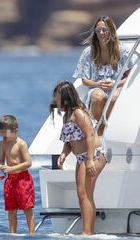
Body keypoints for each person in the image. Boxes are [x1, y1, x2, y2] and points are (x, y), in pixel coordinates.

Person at [50, 81, 107, 235]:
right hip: (81, 158)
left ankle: (87, 233)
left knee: (85, 194)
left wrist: (89, 160)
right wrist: (64, 153)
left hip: (92, 155)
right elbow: (71, 141)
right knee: (83, 195)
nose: (56, 102)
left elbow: (90, 134)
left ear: (67, 98)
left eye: (58, 98)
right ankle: (89, 231)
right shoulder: (67, 115)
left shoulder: (78, 113)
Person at [73, 16, 135, 135]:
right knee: (97, 96)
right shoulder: (88, 52)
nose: (101, 33)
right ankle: (99, 129)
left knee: (114, 96)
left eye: (105, 30)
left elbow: (130, 75)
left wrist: (115, 85)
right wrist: (98, 84)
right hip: (97, 87)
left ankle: (103, 130)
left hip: (116, 87)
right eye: (98, 31)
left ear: (111, 30)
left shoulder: (121, 50)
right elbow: (85, 80)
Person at [0, 115, 35, 234]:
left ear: (15, 131)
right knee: (11, 210)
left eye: (6, 134)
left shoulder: (21, 144)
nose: (4, 137)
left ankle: (32, 234)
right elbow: (1, 160)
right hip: (10, 180)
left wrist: (12, 168)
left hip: (23, 180)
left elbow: (28, 163)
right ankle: (12, 234)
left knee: (27, 209)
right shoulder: (2, 144)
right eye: (2, 134)